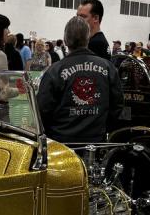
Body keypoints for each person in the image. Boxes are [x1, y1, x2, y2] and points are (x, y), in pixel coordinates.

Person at [36, 16, 123, 145]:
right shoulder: (108, 68)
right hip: (96, 143)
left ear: (65, 40)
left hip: (61, 144)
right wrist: (101, 128)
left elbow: (41, 110)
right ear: (88, 38)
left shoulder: (54, 71)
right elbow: (117, 106)